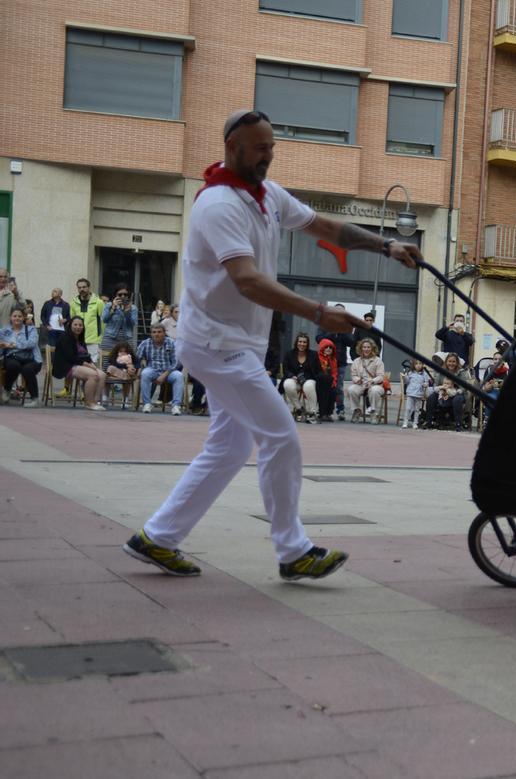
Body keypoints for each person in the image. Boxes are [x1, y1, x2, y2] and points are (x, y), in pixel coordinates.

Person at [122, 108, 422, 581]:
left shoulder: (266, 196)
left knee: (229, 446)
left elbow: (325, 227)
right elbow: (247, 281)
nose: (268, 155)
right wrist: (319, 314)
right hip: (217, 343)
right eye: (260, 148)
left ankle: (157, 537)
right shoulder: (218, 204)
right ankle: (292, 549)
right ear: (233, 147)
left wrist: (386, 246)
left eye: (272, 147)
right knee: (280, 435)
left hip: (233, 342)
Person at [53, 316, 105, 411]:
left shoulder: (80, 338)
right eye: (75, 324)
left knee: (102, 374)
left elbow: (85, 355)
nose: (78, 327)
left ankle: (95, 401)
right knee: (93, 375)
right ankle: (89, 403)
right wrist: (87, 365)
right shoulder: (65, 337)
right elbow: (71, 357)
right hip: (66, 365)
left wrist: (91, 363)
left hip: (80, 364)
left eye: (80, 325)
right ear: (70, 325)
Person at [316, 303, 354, 420]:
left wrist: (341, 331)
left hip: (340, 361)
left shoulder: (346, 326)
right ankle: (323, 410)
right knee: (324, 386)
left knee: (338, 387)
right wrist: (332, 332)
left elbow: (351, 342)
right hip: (325, 361)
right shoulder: (324, 324)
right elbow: (319, 339)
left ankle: (340, 409)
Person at [136, 323, 185, 415]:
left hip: (168, 370)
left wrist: (164, 375)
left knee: (179, 376)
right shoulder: (146, 343)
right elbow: (137, 358)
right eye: (154, 332)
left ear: (164, 333)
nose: (156, 334)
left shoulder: (171, 342)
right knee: (145, 374)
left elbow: (175, 362)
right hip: (152, 369)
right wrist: (140, 367)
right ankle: (147, 403)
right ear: (151, 334)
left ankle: (176, 406)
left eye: (159, 332)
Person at [0, 306, 43, 407]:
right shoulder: (5, 330)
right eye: (15, 316)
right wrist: (3, 344)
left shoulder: (31, 329)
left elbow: (31, 343)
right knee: (13, 366)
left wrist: (13, 345)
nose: (17, 318)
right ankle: (7, 389)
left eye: (20, 316)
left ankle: (35, 399)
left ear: (23, 318)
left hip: (32, 358)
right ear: (11, 317)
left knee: (27, 369)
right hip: (12, 357)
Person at [423, 352, 470, 429]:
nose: (451, 363)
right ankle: (429, 421)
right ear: (446, 362)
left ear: (457, 362)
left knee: (457, 400)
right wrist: (442, 388)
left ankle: (458, 423)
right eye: (449, 361)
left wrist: (454, 391)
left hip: (457, 393)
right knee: (431, 398)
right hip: (443, 391)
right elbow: (436, 384)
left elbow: (463, 387)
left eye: (453, 361)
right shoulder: (441, 371)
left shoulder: (461, 372)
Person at [280, 332, 319, 423]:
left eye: (304, 342)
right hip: (294, 380)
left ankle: (313, 412)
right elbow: (286, 369)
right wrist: (291, 376)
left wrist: (307, 378)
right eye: (300, 341)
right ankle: (299, 410)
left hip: (308, 380)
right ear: (296, 342)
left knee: (308, 386)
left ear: (307, 343)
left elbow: (317, 370)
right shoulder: (289, 354)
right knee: (287, 384)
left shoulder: (313, 355)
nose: (302, 344)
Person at [346, 338, 386, 423]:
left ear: (372, 348)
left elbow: (381, 377)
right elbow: (353, 375)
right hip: (361, 385)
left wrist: (372, 381)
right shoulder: (356, 361)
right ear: (361, 348)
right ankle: (357, 410)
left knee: (374, 390)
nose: (366, 349)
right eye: (364, 347)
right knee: (351, 389)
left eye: (368, 347)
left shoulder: (378, 361)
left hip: (375, 385)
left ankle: (373, 412)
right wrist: (357, 380)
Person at [69, 277, 105, 364]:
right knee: (79, 365)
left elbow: (103, 322)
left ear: (89, 288)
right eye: (79, 287)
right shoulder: (73, 303)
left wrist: (100, 338)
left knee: (92, 364)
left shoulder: (99, 302)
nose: (82, 289)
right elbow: (72, 322)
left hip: (93, 340)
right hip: (78, 340)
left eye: (84, 287)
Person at [101, 282, 139, 352]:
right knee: (107, 361)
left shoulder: (133, 308)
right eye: (120, 294)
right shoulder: (109, 305)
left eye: (125, 294)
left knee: (126, 360)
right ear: (115, 295)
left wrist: (127, 312)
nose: (123, 296)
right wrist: (113, 308)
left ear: (128, 295)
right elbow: (104, 320)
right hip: (110, 338)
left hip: (126, 339)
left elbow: (132, 323)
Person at [104, 339, 138, 406]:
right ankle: (105, 397)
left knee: (129, 374)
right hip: (115, 372)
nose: (122, 353)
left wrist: (131, 367)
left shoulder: (130, 356)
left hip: (125, 374)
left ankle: (125, 398)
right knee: (110, 368)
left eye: (125, 351)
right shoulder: (114, 356)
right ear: (117, 351)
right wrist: (125, 365)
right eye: (120, 351)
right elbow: (113, 363)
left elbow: (137, 363)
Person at [400, 359, 432, 428]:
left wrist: (425, 384)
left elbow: (427, 382)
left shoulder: (424, 374)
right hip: (410, 393)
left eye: (420, 363)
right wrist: (404, 377)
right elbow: (407, 382)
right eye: (416, 364)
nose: (418, 365)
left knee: (417, 409)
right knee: (408, 408)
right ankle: (405, 422)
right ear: (413, 365)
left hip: (419, 394)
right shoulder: (411, 372)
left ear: (422, 365)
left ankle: (415, 423)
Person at [314, 337, 339, 422]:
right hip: (319, 382)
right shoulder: (317, 358)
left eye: (330, 348)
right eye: (326, 347)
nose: (328, 349)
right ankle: (322, 413)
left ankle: (328, 413)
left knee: (333, 392)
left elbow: (334, 373)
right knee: (323, 391)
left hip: (329, 382)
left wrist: (334, 382)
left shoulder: (333, 359)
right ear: (322, 348)